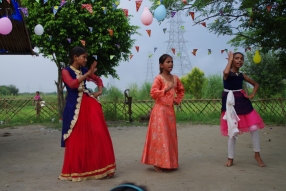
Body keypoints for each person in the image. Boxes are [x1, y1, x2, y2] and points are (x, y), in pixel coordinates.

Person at [58, 46, 116, 181]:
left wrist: (99, 90)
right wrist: (87, 73)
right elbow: (72, 84)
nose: (85, 60)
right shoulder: (66, 71)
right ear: (75, 57)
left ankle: (102, 168)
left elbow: (98, 80)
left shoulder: (84, 69)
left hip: (88, 103)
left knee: (98, 132)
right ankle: (80, 170)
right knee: (78, 138)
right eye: (83, 57)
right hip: (74, 107)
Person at [221, 51, 266, 167]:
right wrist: (230, 60)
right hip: (231, 105)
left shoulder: (242, 76)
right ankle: (230, 158)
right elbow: (226, 71)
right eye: (236, 58)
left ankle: (257, 154)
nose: (239, 60)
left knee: (254, 128)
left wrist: (252, 95)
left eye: (241, 59)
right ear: (232, 60)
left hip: (243, 103)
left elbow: (256, 84)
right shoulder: (227, 74)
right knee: (232, 131)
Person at [141, 54, 185, 172]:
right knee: (161, 137)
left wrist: (177, 100)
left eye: (171, 62)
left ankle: (169, 162)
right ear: (161, 65)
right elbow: (153, 93)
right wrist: (165, 90)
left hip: (170, 111)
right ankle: (157, 162)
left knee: (170, 137)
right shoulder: (159, 79)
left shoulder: (175, 79)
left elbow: (181, 90)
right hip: (159, 112)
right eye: (167, 62)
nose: (170, 64)